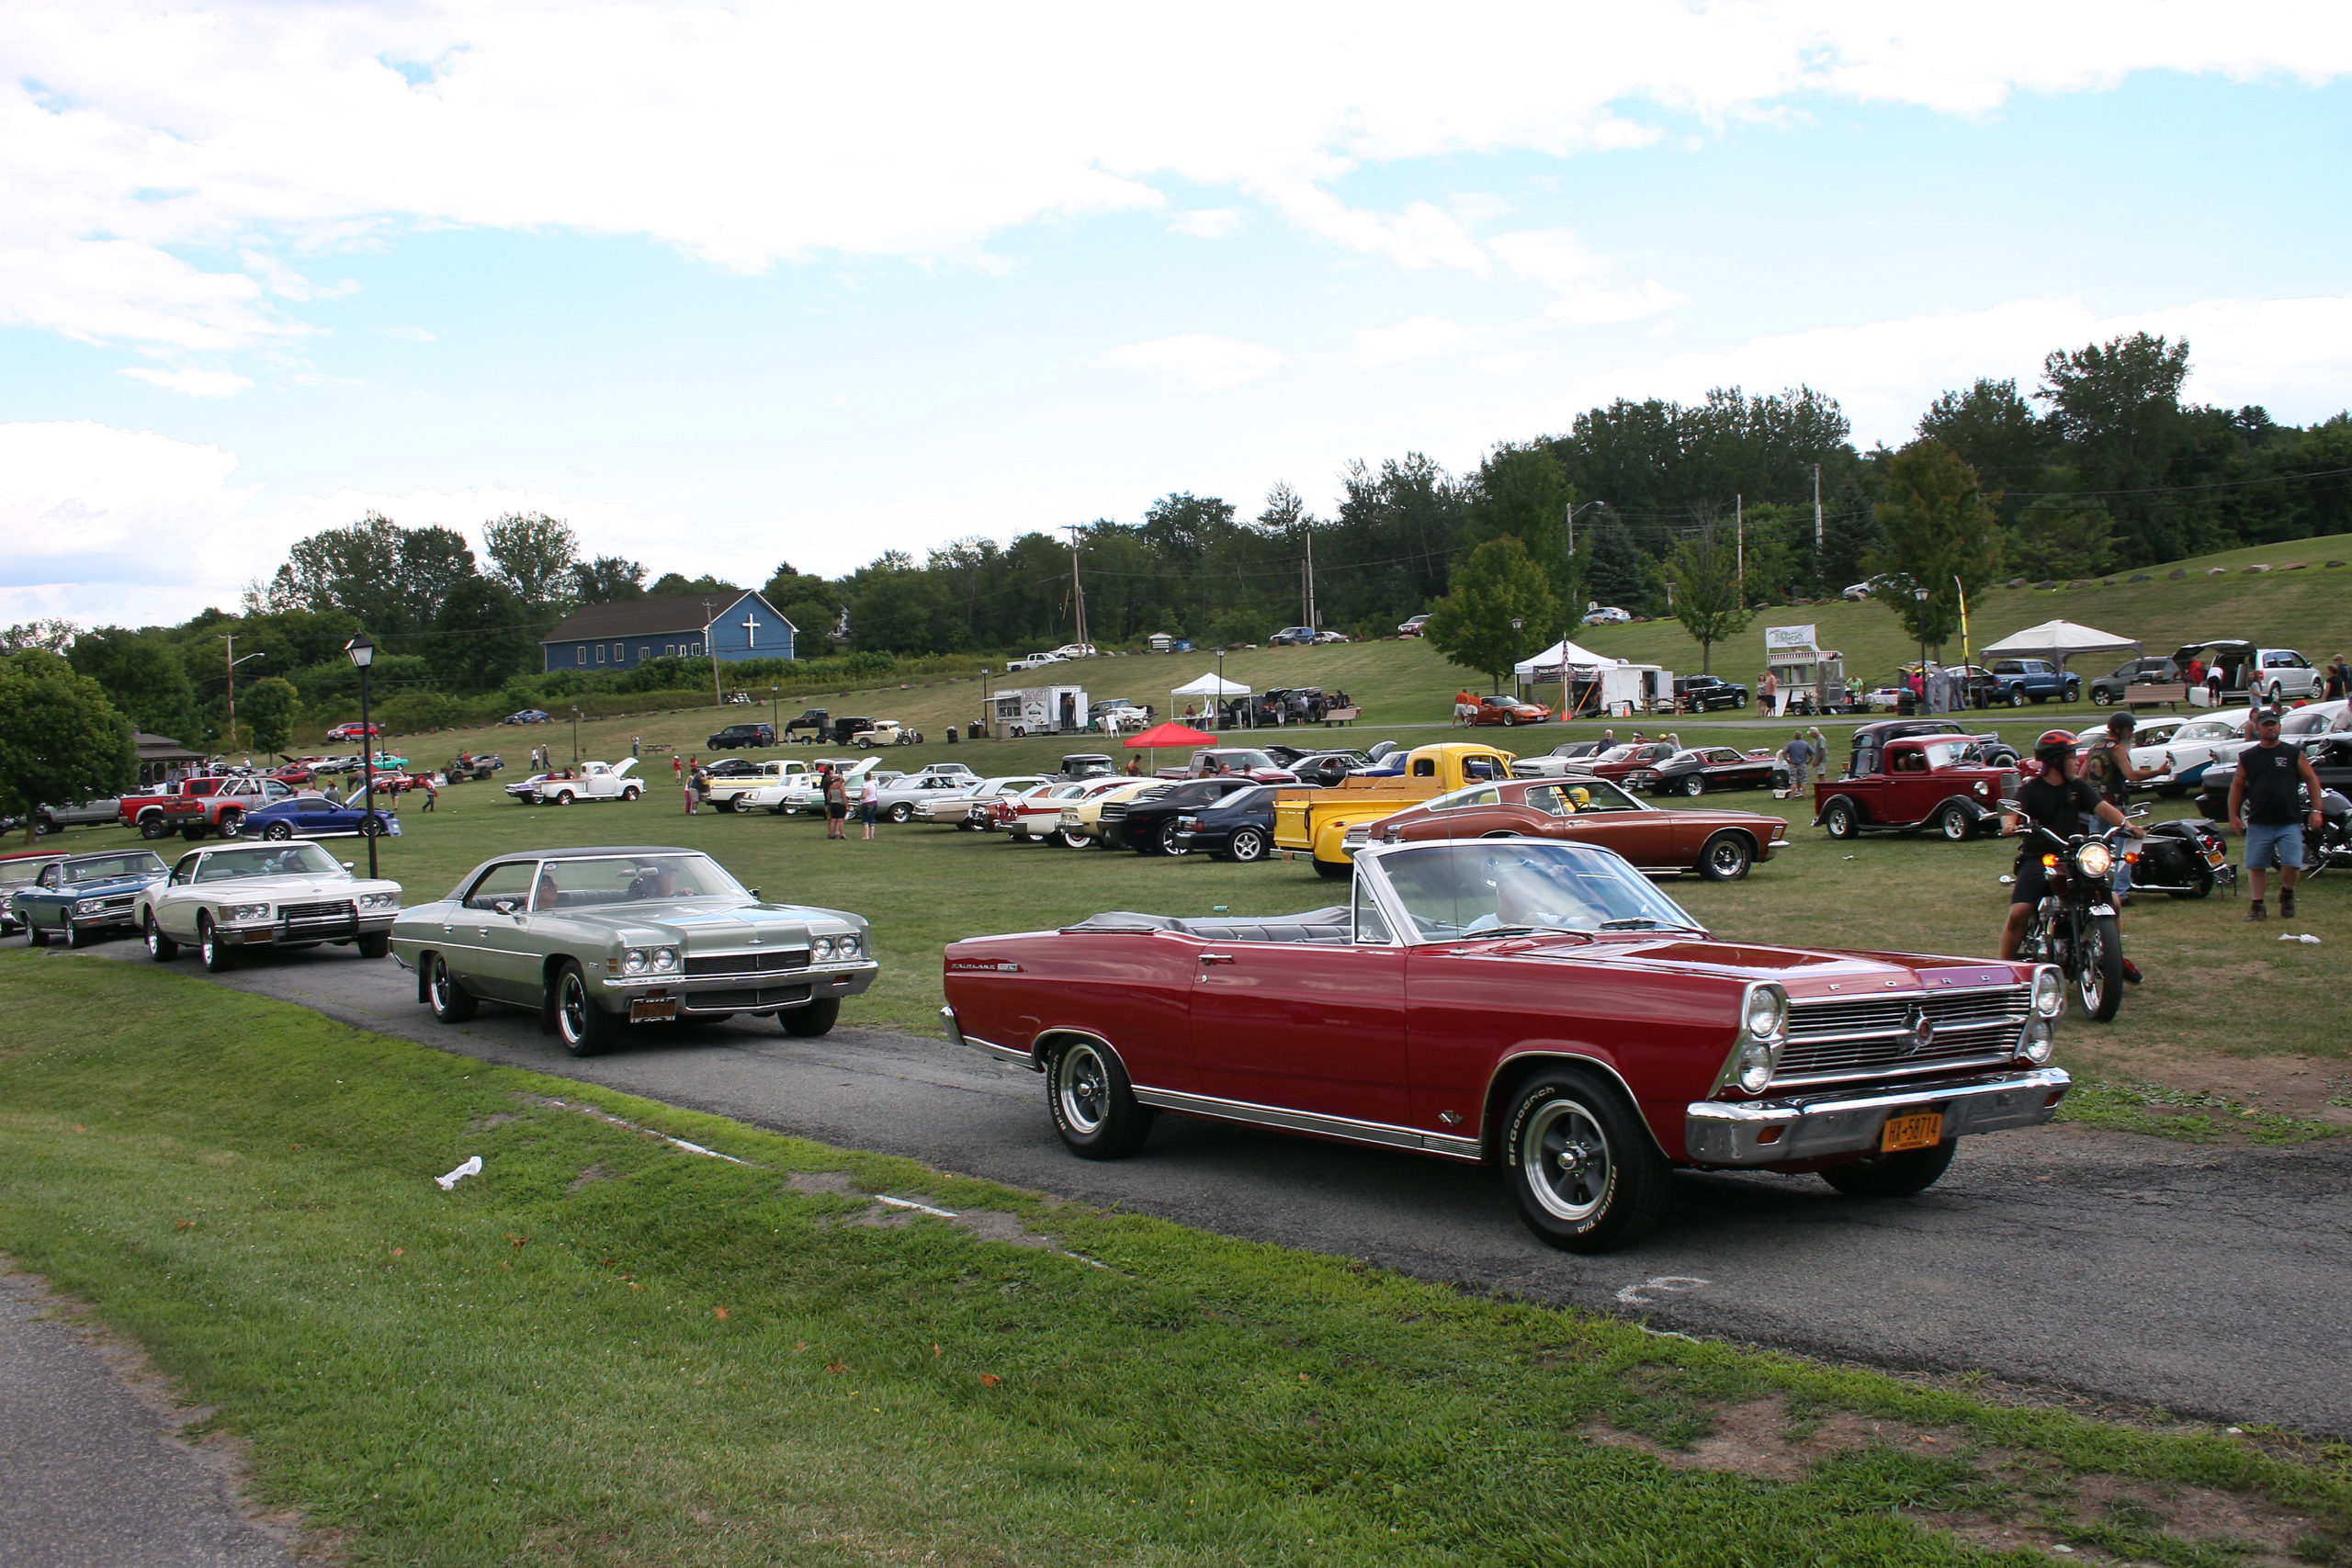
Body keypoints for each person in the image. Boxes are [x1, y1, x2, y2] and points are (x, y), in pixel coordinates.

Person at [1999, 730, 2139, 983]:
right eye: (2072, 757)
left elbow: (2103, 808)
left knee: (2113, 903)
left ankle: (2112, 958)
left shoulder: (2078, 787)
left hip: (2075, 855)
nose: (2077, 762)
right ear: (2055, 761)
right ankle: (2005, 970)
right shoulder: (2032, 789)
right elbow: (2013, 812)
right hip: (2038, 856)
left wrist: (2128, 825)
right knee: (2020, 911)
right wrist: (2010, 824)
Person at [2230, 708, 2326, 920]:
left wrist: (2316, 810)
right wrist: (2234, 815)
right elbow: (2237, 786)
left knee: (2292, 863)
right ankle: (2257, 905)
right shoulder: (2249, 757)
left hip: (2289, 820)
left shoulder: (2292, 753)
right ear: (2257, 728)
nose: (2271, 727)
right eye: (2266, 724)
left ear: (2279, 726)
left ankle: (2287, 893)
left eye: (2274, 724)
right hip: (2259, 821)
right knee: (2256, 866)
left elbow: (2312, 780)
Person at [2078, 713, 2162, 906]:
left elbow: (2081, 776)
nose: (2131, 733)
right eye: (2130, 729)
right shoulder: (2117, 749)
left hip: (2095, 807)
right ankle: (2121, 893)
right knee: (2124, 851)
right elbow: (2131, 775)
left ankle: (2094, 888)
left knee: (2095, 848)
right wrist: (2158, 772)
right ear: (2120, 729)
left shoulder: (2094, 748)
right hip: (2115, 807)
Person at [1779, 729, 1814, 795]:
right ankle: (1804, 795)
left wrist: (1787, 760)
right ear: (1801, 736)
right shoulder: (1805, 744)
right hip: (1802, 764)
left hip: (1793, 764)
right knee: (1804, 780)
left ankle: (1793, 795)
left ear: (1794, 737)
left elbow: (1783, 753)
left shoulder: (1790, 744)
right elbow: (1812, 754)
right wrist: (1809, 761)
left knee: (1793, 780)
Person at [823, 766, 850, 840]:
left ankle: (832, 835)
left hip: (833, 804)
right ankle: (842, 834)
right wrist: (846, 805)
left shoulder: (831, 786)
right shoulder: (841, 787)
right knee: (840, 820)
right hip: (840, 804)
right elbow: (844, 797)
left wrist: (831, 802)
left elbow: (828, 796)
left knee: (833, 820)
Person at [859, 769, 881, 840]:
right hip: (874, 801)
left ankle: (866, 835)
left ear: (864, 777)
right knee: (872, 819)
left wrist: (860, 797)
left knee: (865, 819)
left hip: (867, 802)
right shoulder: (873, 784)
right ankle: (872, 835)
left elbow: (864, 795)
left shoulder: (865, 785)